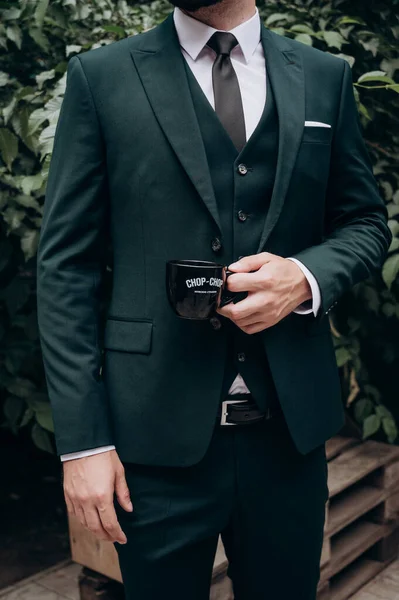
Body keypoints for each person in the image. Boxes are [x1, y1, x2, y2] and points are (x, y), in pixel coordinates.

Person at [36, 0, 391, 597]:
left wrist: (304, 276)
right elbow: (66, 266)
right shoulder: (102, 77)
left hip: (287, 438)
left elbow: (365, 222)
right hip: (150, 444)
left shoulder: (324, 74)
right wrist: (84, 444)